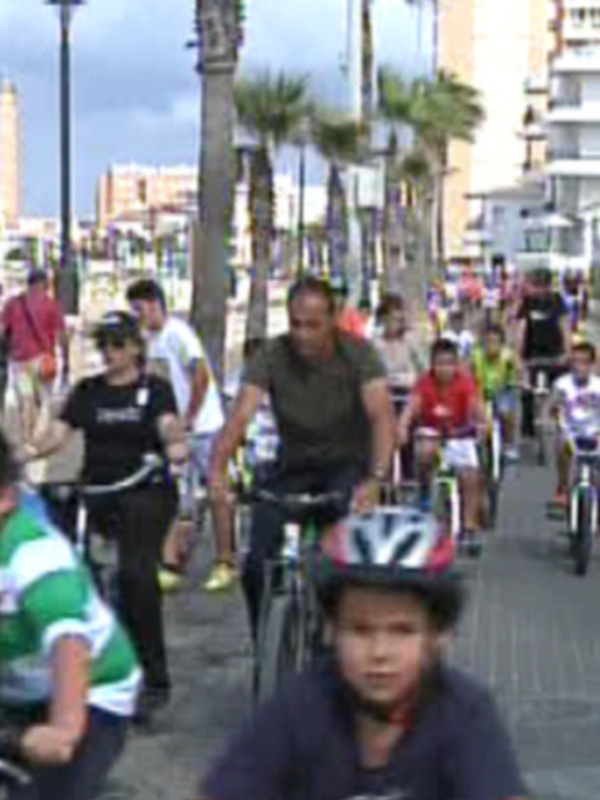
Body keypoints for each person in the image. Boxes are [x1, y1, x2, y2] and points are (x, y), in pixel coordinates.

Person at [200, 507, 528, 800]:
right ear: (331, 630)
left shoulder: (464, 714)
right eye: (359, 630)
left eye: (402, 631)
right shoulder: (300, 708)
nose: (379, 652)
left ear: (438, 636)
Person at [208, 276, 395, 636]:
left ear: (333, 320)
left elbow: (382, 417)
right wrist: (217, 470)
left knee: (349, 562)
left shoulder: (359, 354)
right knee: (256, 564)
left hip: (346, 464)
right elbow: (241, 416)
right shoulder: (271, 355)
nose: (303, 335)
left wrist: (376, 479)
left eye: (313, 325)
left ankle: (344, 636)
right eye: (296, 324)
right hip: (292, 465)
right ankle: (266, 643)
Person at [25, 311, 187, 724]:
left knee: (136, 575)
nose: (109, 353)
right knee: (57, 566)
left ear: (135, 347)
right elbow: (59, 433)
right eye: (103, 345)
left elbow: (168, 425)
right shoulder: (88, 391)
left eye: (117, 344)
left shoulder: (154, 390)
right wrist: (25, 452)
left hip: (144, 488)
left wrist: (175, 444)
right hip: (94, 490)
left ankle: (153, 680)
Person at [0, 431, 141, 800]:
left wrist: (64, 729)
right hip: (15, 690)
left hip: (92, 688)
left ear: (6, 499)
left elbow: (68, 642)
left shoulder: (34, 555)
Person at [125, 279, 229, 593]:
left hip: (205, 429)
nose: (138, 316)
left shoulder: (178, 334)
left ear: (155, 304)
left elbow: (201, 375)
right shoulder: (150, 340)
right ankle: (173, 563)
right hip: (176, 434)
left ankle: (226, 560)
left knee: (217, 493)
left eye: (140, 309)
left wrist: (190, 418)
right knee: (180, 499)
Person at [398, 338, 487, 554]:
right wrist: (403, 426)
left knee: (470, 476)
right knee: (424, 452)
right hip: (431, 432)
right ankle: (424, 490)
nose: (444, 369)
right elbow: (411, 408)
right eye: (439, 364)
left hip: (459, 434)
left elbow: (478, 408)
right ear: (432, 364)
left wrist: (482, 424)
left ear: (456, 365)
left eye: (449, 364)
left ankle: (469, 526)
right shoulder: (424, 383)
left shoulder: (465, 383)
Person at [2, 269, 69, 446]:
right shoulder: (51, 304)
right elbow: (62, 335)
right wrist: (66, 358)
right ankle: (38, 438)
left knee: (26, 400)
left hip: (18, 359)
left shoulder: (12, 304)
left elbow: (2, 331)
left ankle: (27, 438)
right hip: (43, 358)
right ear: (44, 284)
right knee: (45, 400)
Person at [516, 268, 570, 438]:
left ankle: (563, 421)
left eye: (540, 286)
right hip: (531, 355)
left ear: (548, 286)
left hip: (555, 354)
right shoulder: (527, 302)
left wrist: (567, 353)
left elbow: (565, 326)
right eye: (534, 285)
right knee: (526, 390)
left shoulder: (557, 300)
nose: (536, 290)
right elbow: (521, 329)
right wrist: (519, 357)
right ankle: (527, 427)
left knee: (561, 389)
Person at [549, 341, 600, 508]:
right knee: (561, 443)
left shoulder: (597, 385)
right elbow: (552, 403)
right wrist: (550, 415)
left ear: (592, 365)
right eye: (575, 362)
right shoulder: (563, 384)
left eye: (584, 362)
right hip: (571, 431)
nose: (579, 367)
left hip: (595, 432)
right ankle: (563, 486)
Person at [472, 324, 520, 461]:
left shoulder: (508, 356)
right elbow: (466, 372)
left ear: (501, 343)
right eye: (488, 342)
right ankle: (474, 441)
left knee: (506, 412)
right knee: (473, 414)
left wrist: (521, 381)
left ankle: (508, 444)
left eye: (495, 342)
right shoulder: (476, 356)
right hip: (481, 391)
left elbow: (520, 370)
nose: (491, 346)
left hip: (503, 390)